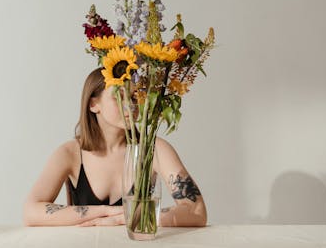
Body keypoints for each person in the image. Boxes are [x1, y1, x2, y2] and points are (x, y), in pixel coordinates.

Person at [23, 68, 207, 227]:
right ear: (94, 104)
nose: (131, 105)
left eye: (135, 96)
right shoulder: (70, 153)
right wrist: (104, 211)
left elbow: (196, 211)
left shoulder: (155, 149)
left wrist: (123, 218)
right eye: (119, 97)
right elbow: (31, 212)